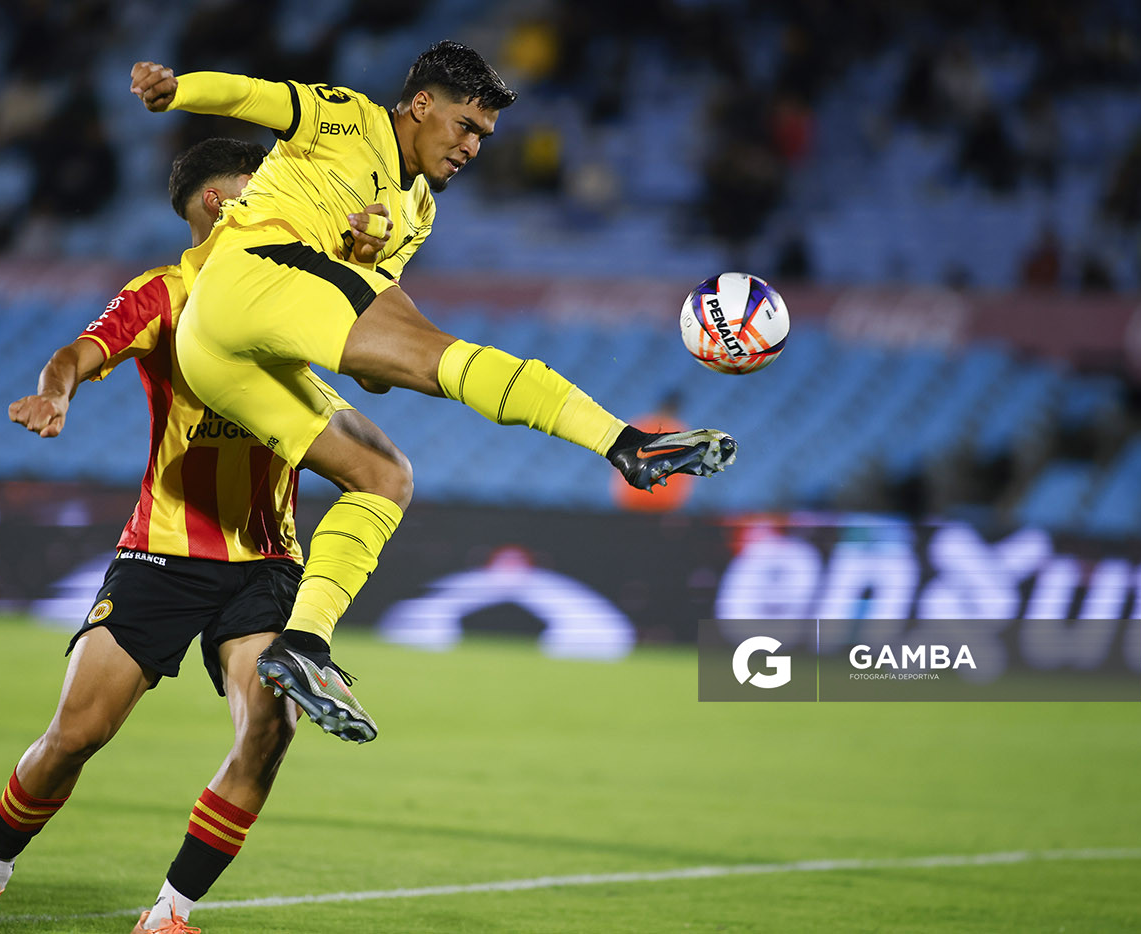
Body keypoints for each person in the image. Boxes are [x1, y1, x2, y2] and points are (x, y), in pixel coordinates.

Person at [129, 41, 737, 744]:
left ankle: (302, 645)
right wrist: (175, 91)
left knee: (384, 477)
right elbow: (251, 97)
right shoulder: (346, 118)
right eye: (465, 127)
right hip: (248, 280)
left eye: (483, 136)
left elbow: (371, 370)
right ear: (420, 105)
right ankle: (625, 443)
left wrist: (358, 273)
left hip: (221, 359)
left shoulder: (417, 213)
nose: (472, 148)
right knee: (451, 356)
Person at [0, 138, 382, 934]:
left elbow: (374, 355)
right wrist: (55, 392)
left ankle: (168, 916)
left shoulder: (296, 286)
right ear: (218, 203)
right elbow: (78, 352)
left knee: (270, 729)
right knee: (75, 736)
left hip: (268, 563)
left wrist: (369, 255)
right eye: (263, 185)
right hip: (162, 556)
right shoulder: (164, 293)